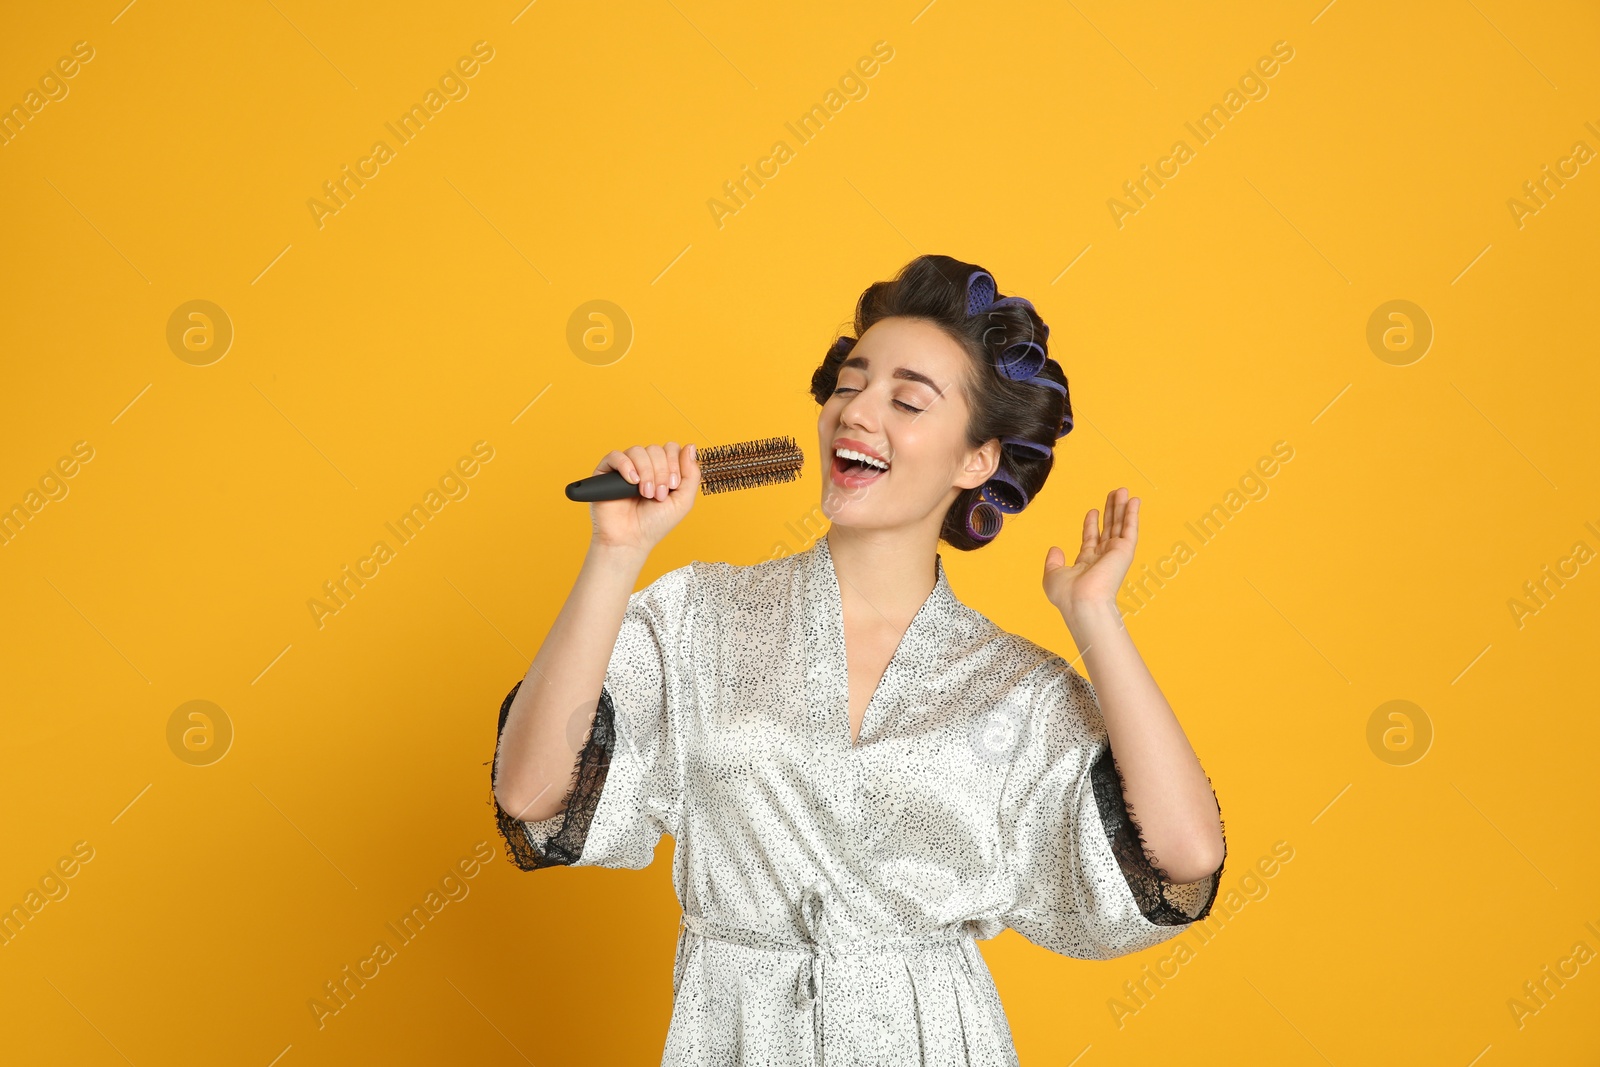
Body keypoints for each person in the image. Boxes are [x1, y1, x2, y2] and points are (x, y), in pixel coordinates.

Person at [490, 254, 1227, 1065]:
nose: (857, 412)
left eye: (908, 400)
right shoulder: (698, 614)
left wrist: (1095, 619)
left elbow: (1185, 856)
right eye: (849, 384)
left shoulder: (1014, 686)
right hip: (736, 1032)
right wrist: (615, 555)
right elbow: (530, 791)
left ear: (976, 459)